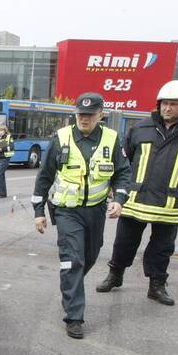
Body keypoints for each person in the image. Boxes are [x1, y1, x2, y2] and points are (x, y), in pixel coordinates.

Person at [95, 80, 178, 306]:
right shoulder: (140, 128)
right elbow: (122, 162)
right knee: (124, 243)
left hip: (168, 203)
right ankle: (115, 275)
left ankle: (157, 285)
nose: (167, 108)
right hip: (135, 200)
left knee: (162, 248)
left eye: (173, 104)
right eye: (164, 103)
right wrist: (116, 189)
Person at [32, 92, 131, 339]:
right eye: (80, 114)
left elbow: (123, 174)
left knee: (89, 256)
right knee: (73, 261)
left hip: (96, 211)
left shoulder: (112, 139)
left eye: (89, 114)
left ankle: (70, 285)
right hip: (67, 211)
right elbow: (44, 176)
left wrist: (118, 200)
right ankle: (74, 317)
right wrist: (38, 212)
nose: (84, 118)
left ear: (100, 115)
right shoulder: (61, 138)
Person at [0, 124, 14, 198]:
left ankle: (2, 194)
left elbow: (11, 147)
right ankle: (3, 193)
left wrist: (2, 149)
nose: (0, 132)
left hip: (5, 157)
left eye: (2, 130)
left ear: (5, 131)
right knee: (0, 175)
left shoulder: (9, 137)